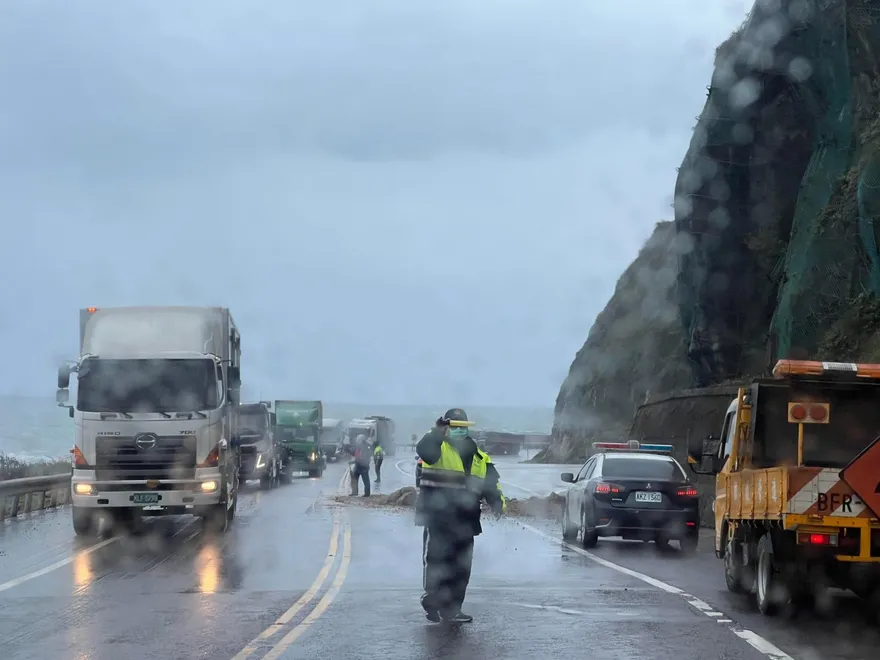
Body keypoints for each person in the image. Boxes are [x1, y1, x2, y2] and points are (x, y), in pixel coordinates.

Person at [415, 408, 505, 624]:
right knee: (437, 562)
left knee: (461, 568)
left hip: (466, 521)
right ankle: (433, 600)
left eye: (462, 427)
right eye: (454, 427)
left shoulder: (479, 456)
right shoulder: (437, 447)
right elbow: (424, 450)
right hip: (438, 519)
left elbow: (490, 483)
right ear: (447, 427)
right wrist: (437, 432)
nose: (459, 431)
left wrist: (497, 503)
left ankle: (453, 609)